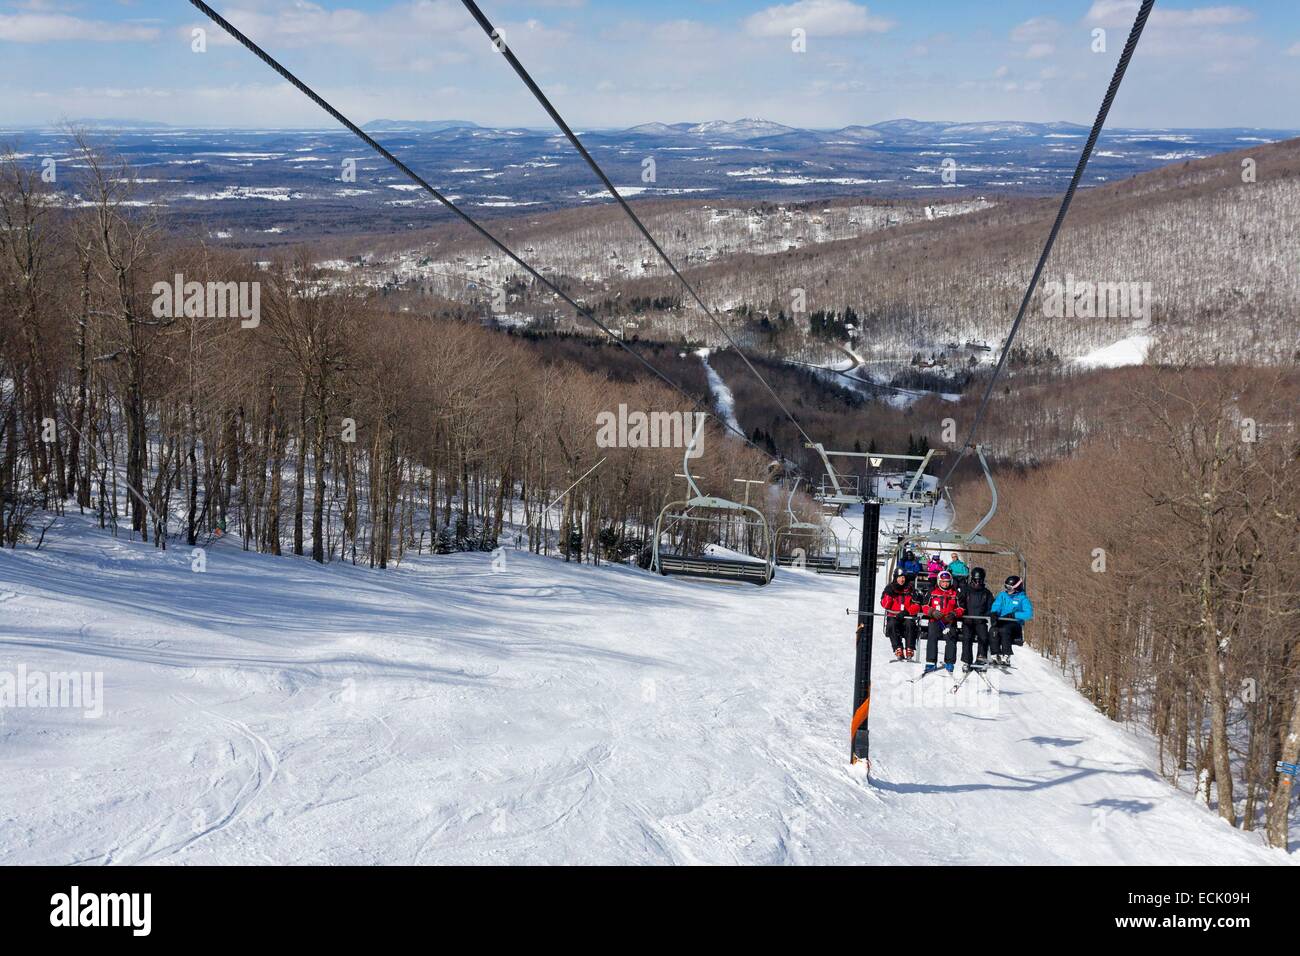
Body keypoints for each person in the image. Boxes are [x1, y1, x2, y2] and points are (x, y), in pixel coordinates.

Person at [921, 570, 964, 673]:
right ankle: (931, 662)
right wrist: (932, 611)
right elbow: (924, 606)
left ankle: (950, 662)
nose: (945, 584)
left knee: (951, 637)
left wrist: (954, 613)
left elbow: (962, 608)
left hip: (949, 620)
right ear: (939, 581)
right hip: (935, 619)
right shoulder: (932, 592)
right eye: (943, 582)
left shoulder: (955, 593)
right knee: (932, 636)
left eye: (947, 582)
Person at [989, 575, 1034, 667]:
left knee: (1005, 630)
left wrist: (1015, 615)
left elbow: (1028, 614)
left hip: (1014, 623)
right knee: (993, 630)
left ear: (1016, 588)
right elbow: (996, 605)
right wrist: (994, 613)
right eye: (1006, 587)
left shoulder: (1022, 598)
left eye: (1009, 588)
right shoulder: (1003, 595)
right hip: (1002, 620)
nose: (1007, 589)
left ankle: (1006, 655)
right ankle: (995, 654)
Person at [958, 566, 994, 670]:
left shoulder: (986, 593)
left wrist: (986, 615)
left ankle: (980, 658)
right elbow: (961, 603)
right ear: (972, 579)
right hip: (968, 620)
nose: (978, 583)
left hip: (980, 621)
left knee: (983, 637)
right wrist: (963, 614)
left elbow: (990, 607)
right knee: (967, 637)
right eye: (976, 580)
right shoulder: (966, 590)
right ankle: (967, 661)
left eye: (980, 580)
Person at [880, 570, 920, 661]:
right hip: (894, 616)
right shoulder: (890, 589)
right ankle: (898, 648)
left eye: (903, 577)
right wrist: (889, 595)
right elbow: (885, 606)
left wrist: (907, 611)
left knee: (910, 624)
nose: (902, 580)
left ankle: (909, 648)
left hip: (907, 615)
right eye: (899, 577)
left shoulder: (910, 589)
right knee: (891, 625)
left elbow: (917, 606)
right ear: (895, 578)